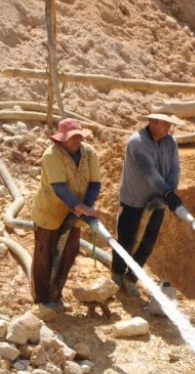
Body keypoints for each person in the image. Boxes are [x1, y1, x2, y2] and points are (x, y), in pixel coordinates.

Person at [31, 118, 102, 310]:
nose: (76, 140)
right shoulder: (51, 155)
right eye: (72, 137)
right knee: (44, 254)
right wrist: (81, 208)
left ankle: (57, 294)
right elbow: (59, 188)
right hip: (51, 211)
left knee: (69, 252)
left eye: (79, 136)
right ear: (61, 139)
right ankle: (42, 301)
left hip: (76, 212)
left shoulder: (89, 153)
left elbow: (95, 183)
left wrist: (85, 206)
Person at [112, 113, 185, 297]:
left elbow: (175, 168)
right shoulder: (137, 142)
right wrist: (167, 192)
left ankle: (132, 278)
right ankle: (117, 275)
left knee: (147, 243)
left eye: (170, 124)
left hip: (158, 202)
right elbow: (149, 171)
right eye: (164, 123)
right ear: (152, 122)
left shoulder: (170, 142)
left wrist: (170, 191)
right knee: (126, 240)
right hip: (134, 201)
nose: (168, 128)